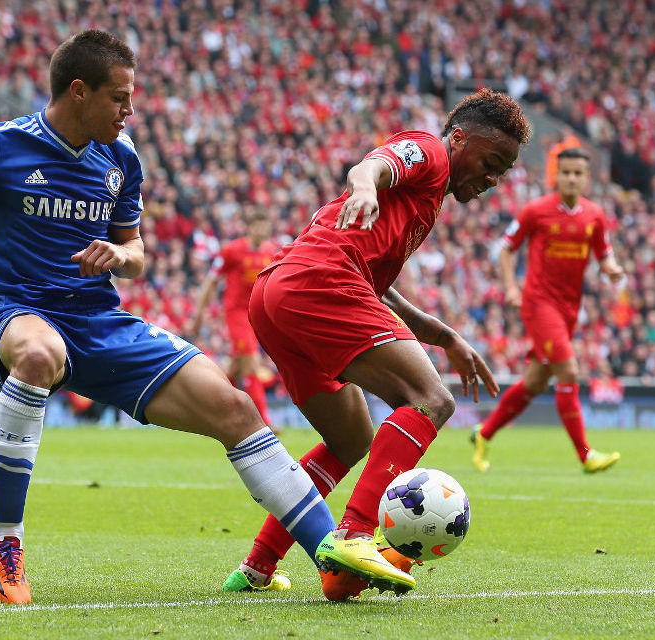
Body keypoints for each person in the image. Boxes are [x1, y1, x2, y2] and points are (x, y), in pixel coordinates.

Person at [0, 30, 369, 607]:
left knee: (236, 407)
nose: (130, 109)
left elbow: (135, 253)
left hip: (102, 322)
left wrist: (119, 254)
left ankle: (329, 556)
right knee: (36, 355)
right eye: (120, 97)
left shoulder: (121, 158)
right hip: (22, 314)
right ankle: (6, 545)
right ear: (79, 91)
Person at [221, 88, 532, 601]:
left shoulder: (424, 202)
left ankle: (257, 565)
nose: (494, 179)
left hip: (278, 292)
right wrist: (365, 186)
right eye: (492, 162)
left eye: (504, 171)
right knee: (432, 400)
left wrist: (445, 335)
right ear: (459, 141)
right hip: (320, 282)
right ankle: (356, 534)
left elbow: (379, 284)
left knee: (350, 439)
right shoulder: (430, 153)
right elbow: (376, 164)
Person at [471, 147, 623, 474]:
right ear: (556, 175)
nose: (571, 178)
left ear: (586, 178)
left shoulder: (594, 215)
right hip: (539, 304)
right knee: (568, 372)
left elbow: (604, 253)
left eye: (577, 173)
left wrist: (611, 268)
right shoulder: (536, 210)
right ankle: (586, 455)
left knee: (536, 382)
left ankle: (483, 434)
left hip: (569, 309)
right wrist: (512, 287)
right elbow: (506, 250)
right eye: (565, 172)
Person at [187, 211, 276, 428]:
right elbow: (210, 281)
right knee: (252, 362)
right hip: (236, 314)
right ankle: (264, 421)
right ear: (250, 227)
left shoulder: (270, 251)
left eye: (265, 226)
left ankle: (208, 410)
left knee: (236, 368)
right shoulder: (232, 250)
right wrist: (199, 314)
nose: (262, 230)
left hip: (257, 315)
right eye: (258, 225)